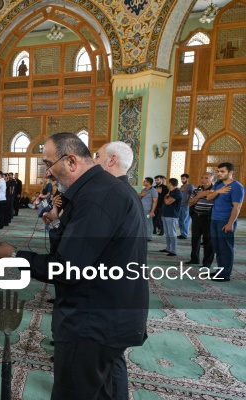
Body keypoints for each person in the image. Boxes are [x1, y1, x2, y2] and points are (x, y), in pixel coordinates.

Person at [0, 133, 148, 400]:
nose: (47, 174)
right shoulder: (108, 189)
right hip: (116, 316)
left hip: (92, 323)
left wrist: (15, 255)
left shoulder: (95, 198)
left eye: (48, 164)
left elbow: (65, 268)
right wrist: (55, 224)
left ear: (72, 161)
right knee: (108, 390)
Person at [94, 140, 136, 400]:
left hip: (111, 293)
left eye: (96, 156)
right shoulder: (124, 191)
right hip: (120, 289)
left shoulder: (114, 195)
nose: (92, 161)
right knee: (112, 358)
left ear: (111, 160)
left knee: (109, 360)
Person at [206, 162, 244, 281]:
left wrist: (230, 223)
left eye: (222, 171)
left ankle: (225, 274)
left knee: (225, 248)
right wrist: (218, 191)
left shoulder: (237, 187)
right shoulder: (218, 184)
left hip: (225, 221)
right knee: (217, 247)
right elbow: (208, 197)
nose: (219, 174)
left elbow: (237, 207)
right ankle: (220, 270)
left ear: (231, 172)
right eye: (218, 171)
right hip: (214, 219)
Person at [186, 172, 215, 268]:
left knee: (208, 241)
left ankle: (206, 263)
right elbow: (190, 203)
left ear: (212, 180)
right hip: (196, 217)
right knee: (195, 239)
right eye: (202, 177)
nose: (203, 180)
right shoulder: (196, 191)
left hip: (208, 218)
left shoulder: (215, 190)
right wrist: (199, 196)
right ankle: (194, 259)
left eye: (206, 178)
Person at [161, 178, 182, 257]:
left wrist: (165, 197)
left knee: (172, 233)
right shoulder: (171, 192)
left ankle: (173, 250)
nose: (167, 184)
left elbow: (167, 202)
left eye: (168, 183)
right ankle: (168, 248)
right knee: (167, 233)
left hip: (172, 215)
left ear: (170, 183)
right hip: (166, 214)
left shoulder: (176, 192)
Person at [178, 174, 194, 239]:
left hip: (186, 205)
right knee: (180, 220)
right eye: (181, 178)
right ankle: (182, 233)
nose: (182, 180)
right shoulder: (182, 186)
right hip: (180, 205)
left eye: (184, 178)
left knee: (185, 220)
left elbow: (193, 194)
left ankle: (185, 234)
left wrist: (189, 202)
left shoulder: (190, 186)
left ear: (187, 179)